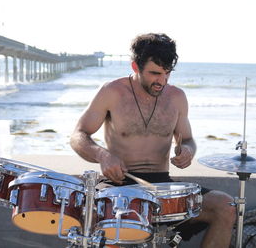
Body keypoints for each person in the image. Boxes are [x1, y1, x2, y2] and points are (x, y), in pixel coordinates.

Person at [70, 33, 236, 247]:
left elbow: (187, 139)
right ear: (135, 67)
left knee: (226, 206)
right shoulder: (112, 92)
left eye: (167, 74)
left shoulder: (177, 97)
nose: (162, 81)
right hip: (118, 186)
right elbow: (78, 135)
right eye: (155, 73)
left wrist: (186, 150)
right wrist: (102, 155)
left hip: (162, 188)